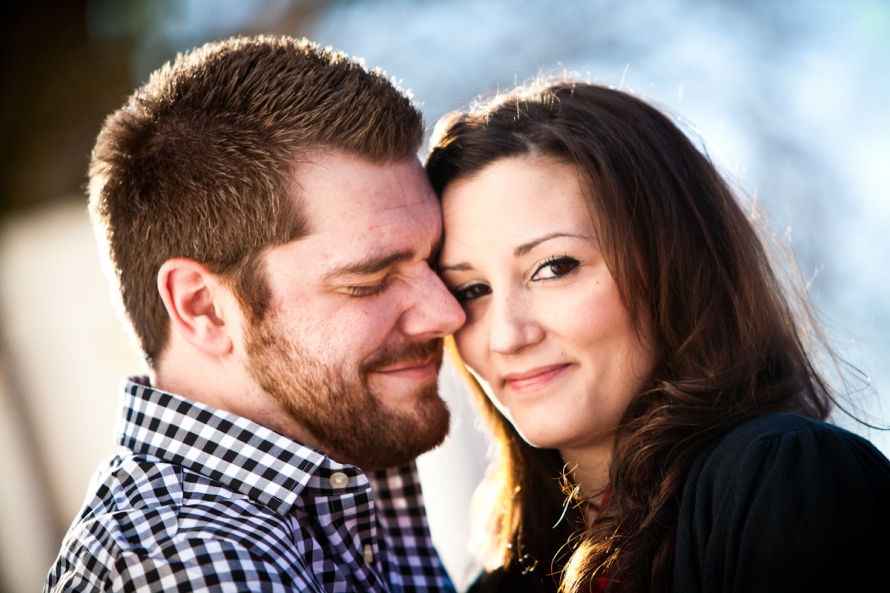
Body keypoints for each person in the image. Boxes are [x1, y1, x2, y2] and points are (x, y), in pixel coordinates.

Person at [426, 79, 890, 593]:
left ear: (674, 265)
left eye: (554, 267)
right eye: (470, 289)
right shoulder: (505, 581)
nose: (507, 336)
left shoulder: (787, 480)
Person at [45, 36, 465, 592]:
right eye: (368, 281)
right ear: (204, 308)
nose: (446, 313)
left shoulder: (342, 462)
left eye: (433, 261)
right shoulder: (185, 564)